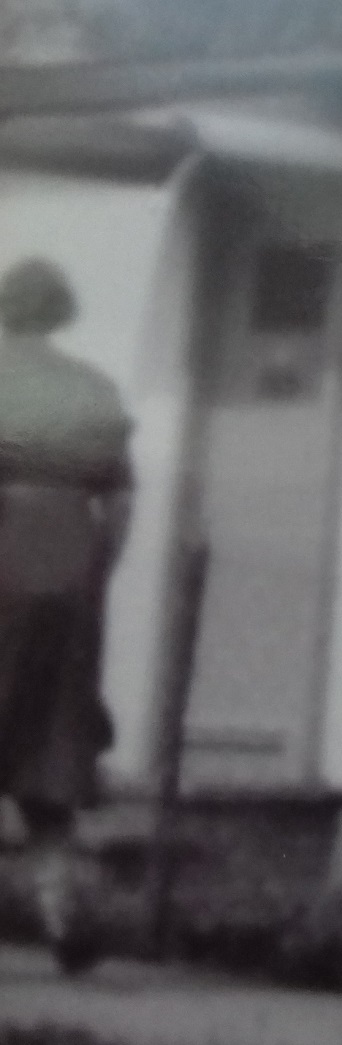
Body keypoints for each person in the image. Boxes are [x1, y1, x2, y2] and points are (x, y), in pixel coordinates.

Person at [0, 257, 134, 975]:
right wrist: (92, 575)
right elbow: (119, 503)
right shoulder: (93, 389)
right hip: (72, 573)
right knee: (49, 749)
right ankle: (59, 908)